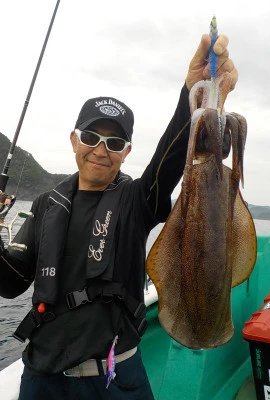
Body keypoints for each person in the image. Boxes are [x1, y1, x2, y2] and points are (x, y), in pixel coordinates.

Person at [0, 32, 237, 400]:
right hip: (41, 376)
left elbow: (171, 159)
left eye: (114, 142)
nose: (100, 149)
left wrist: (194, 92)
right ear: (74, 139)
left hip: (115, 379)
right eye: (91, 136)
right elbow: (10, 283)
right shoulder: (47, 204)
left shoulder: (137, 199)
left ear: (126, 151)